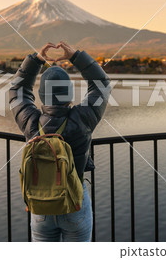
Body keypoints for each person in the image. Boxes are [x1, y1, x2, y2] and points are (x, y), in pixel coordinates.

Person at [9, 41, 111, 242]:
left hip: (40, 206)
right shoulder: (83, 119)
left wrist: (36, 60)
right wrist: (76, 57)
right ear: (70, 93)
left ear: (41, 95)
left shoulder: (30, 120)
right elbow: (102, 85)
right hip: (75, 203)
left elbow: (17, 89)